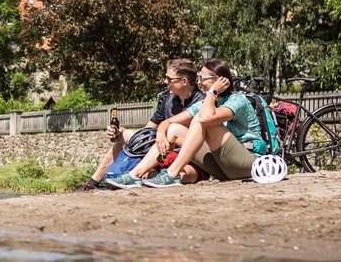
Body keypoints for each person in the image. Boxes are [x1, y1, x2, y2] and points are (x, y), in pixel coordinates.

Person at [106, 59, 264, 188]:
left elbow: (207, 118)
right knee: (174, 129)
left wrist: (212, 92)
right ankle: (135, 175)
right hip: (223, 169)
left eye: (203, 78)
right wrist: (161, 135)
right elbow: (168, 122)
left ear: (217, 80)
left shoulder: (238, 100)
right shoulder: (206, 103)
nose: (199, 82)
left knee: (201, 120)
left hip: (248, 164)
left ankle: (171, 174)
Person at [76, 58, 206, 190]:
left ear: (184, 81)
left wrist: (162, 136)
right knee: (124, 135)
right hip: (161, 151)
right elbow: (147, 131)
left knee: (181, 173)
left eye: (169, 79)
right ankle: (93, 182)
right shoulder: (168, 100)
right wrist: (120, 132)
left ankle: (147, 174)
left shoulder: (201, 102)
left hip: (188, 157)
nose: (165, 81)